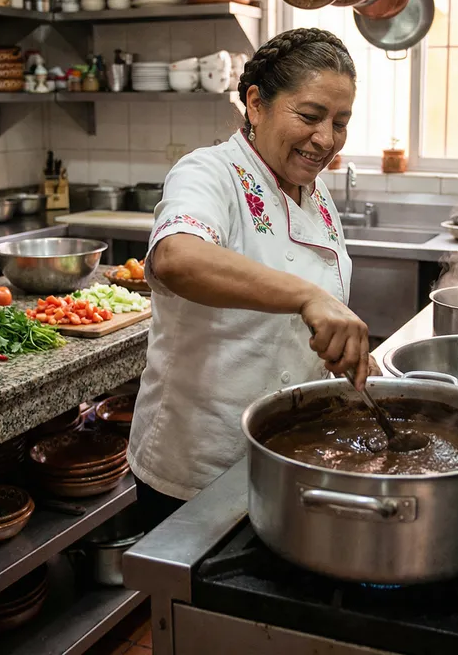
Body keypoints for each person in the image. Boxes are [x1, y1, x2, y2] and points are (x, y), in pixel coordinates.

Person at [127, 28, 378, 528]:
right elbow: (177, 258)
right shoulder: (208, 173)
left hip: (287, 456)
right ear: (257, 104)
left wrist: (341, 346)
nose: (325, 139)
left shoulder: (317, 195)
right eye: (309, 116)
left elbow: (301, 316)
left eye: (340, 122)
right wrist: (308, 298)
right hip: (199, 464)